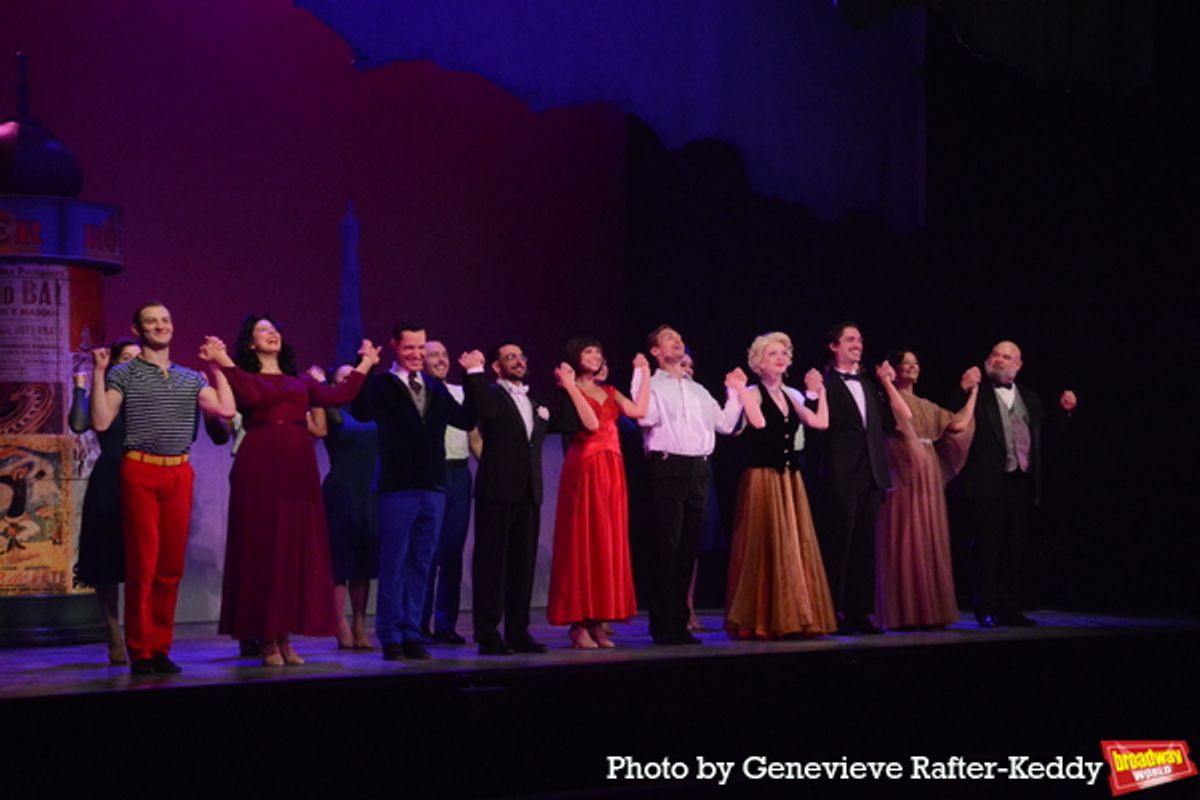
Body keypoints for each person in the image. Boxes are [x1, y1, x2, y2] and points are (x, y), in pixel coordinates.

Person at [209, 314, 379, 666]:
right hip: (260, 465)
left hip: (298, 468)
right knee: (264, 548)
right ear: (251, 343)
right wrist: (224, 361)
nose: (271, 334)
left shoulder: (300, 382)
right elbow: (251, 396)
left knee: (292, 550)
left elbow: (339, 394)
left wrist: (367, 362)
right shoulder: (245, 377)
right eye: (262, 331)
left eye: (275, 330)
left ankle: (286, 637)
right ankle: (267, 638)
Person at [89, 301, 236, 675]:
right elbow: (103, 420)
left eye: (165, 320)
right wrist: (99, 372)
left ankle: (160, 647)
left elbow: (225, 410)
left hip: (178, 472)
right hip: (140, 469)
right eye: (151, 321)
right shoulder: (125, 373)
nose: (160, 326)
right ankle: (140, 650)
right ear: (137, 329)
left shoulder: (189, 377)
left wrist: (218, 369)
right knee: (143, 565)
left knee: (170, 567)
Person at [352, 322, 485, 660]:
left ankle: (413, 632)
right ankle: (391, 634)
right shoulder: (383, 384)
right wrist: (365, 365)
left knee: (422, 562)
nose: (416, 354)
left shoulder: (434, 387)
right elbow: (361, 410)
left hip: (434, 484)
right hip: (398, 485)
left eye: (420, 347)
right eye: (409, 347)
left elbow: (467, 419)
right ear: (395, 346)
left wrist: (473, 375)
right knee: (394, 561)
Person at [634, 325, 751, 645]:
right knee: (666, 547)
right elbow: (645, 417)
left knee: (687, 549)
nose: (678, 341)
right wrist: (641, 376)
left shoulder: (698, 389)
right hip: (668, 466)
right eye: (669, 338)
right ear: (655, 351)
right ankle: (663, 624)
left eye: (680, 337)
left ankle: (679, 621)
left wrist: (734, 392)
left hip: (699, 468)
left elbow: (726, 424)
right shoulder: (651, 383)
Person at [951, 340, 1076, 628]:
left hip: (1020, 483)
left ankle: (1010, 607)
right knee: (986, 546)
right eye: (994, 355)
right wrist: (963, 389)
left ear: (1018, 365)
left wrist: (1064, 413)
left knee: (1014, 547)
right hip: (986, 482)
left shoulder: (1029, 398)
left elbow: (1046, 438)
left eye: (1006, 357)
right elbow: (952, 421)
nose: (999, 360)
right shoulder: (976, 393)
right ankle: (986, 607)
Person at [724, 332, 836, 638]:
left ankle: (795, 614)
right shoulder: (752, 392)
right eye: (774, 353)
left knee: (793, 543)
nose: (781, 357)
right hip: (761, 477)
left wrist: (820, 391)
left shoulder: (792, 394)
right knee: (763, 542)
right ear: (759, 362)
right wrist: (738, 389)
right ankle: (760, 617)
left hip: (789, 479)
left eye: (784, 353)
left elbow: (820, 422)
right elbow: (758, 423)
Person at [467, 342, 571, 655]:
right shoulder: (492, 395)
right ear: (497, 367)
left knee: (522, 566)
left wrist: (565, 388)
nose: (518, 361)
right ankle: (487, 633)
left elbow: (565, 424)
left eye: (521, 356)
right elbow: (482, 411)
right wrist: (474, 372)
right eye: (510, 357)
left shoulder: (533, 400)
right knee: (491, 564)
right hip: (497, 491)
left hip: (529, 492)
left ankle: (518, 631)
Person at [547, 338, 649, 648]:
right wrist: (570, 385)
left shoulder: (610, 391)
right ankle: (578, 622)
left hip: (612, 469)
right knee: (583, 542)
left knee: (607, 542)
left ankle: (598, 619)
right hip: (586, 468)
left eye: (598, 351)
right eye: (588, 351)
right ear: (575, 357)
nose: (595, 356)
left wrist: (643, 373)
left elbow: (639, 410)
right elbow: (590, 424)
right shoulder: (567, 390)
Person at [874, 350, 979, 630]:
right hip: (904, 471)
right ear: (895, 369)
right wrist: (886, 382)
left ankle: (930, 610)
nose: (912, 367)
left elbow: (958, 424)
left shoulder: (927, 405)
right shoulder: (886, 399)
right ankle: (904, 609)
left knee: (929, 536)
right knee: (907, 535)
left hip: (928, 471)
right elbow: (902, 415)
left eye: (916, 363)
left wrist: (974, 393)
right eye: (906, 363)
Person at [807, 322, 892, 635]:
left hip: (871, 474)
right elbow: (817, 428)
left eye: (860, 339)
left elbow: (881, 428)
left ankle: (860, 612)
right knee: (838, 545)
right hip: (841, 475)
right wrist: (813, 392)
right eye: (851, 339)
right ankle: (832, 611)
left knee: (865, 546)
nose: (858, 344)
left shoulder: (869, 384)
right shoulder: (825, 382)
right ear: (834, 346)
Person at [69, 338, 140, 664]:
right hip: (111, 478)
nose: (134, 364)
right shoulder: (106, 394)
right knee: (106, 563)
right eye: (126, 358)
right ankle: (114, 636)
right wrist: (83, 387)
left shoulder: (151, 398)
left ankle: (142, 636)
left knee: (141, 562)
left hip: (144, 474)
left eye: (139, 359)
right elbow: (81, 424)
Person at [420, 339, 479, 645]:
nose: (441, 360)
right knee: (427, 552)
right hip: (432, 472)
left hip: (458, 473)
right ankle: (419, 623)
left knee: (452, 552)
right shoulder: (420, 392)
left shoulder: (458, 393)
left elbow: (475, 440)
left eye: (444, 354)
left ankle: (446, 624)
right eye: (434, 355)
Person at [320, 363, 380, 651]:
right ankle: (339, 623)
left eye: (352, 376)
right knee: (340, 562)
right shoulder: (333, 411)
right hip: (341, 491)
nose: (349, 381)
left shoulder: (368, 410)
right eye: (342, 377)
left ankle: (359, 622)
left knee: (363, 562)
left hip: (369, 491)